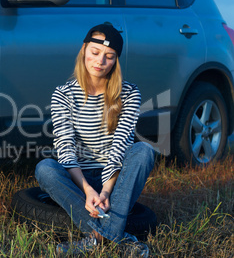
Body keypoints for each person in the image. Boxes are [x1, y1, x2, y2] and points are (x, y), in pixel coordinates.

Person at [35, 24, 155, 256]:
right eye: (95, 52)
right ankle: (118, 238)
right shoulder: (63, 93)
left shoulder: (129, 93)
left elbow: (121, 144)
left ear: (116, 61)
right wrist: (88, 190)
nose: (100, 61)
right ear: (84, 51)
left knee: (144, 150)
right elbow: (65, 147)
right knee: (45, 169)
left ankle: (97, 238)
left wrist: (106, 192)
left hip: (115, 179)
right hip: (79, 181)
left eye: (109, 56)